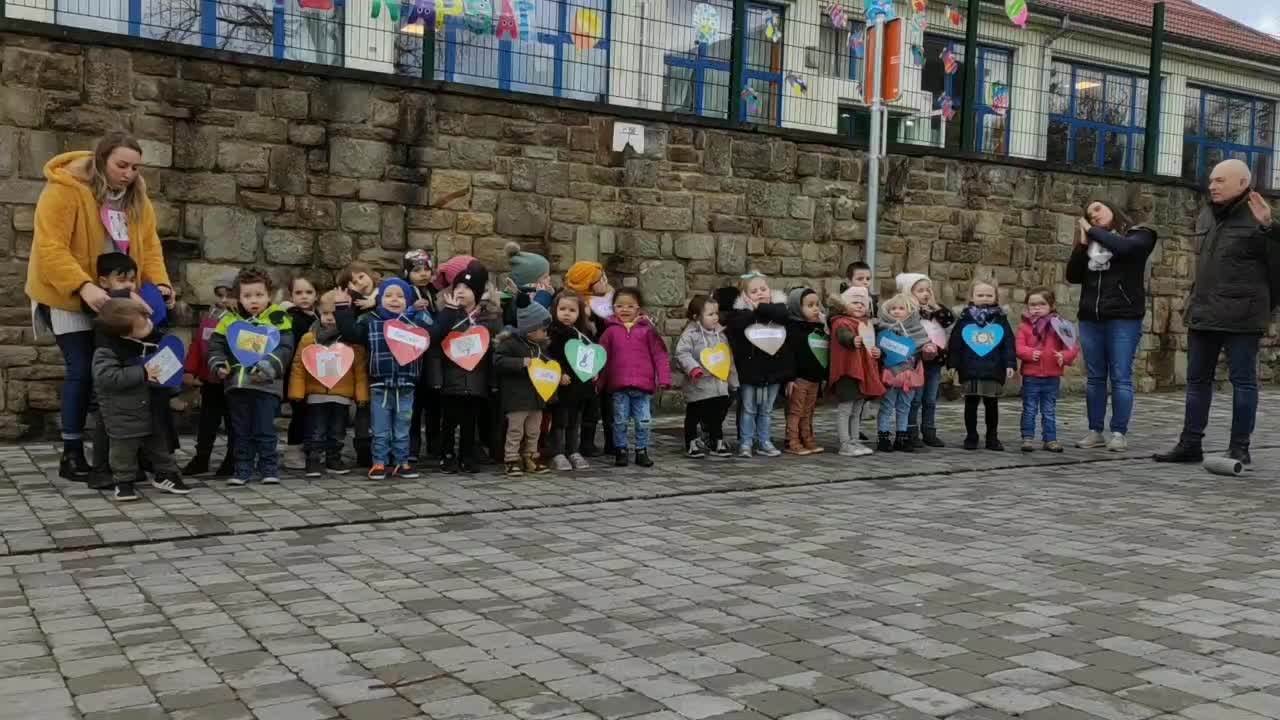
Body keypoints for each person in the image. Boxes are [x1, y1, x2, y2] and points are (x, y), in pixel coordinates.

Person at [26, 132, 174, 481]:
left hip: (116, 296)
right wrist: (83, 285)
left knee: (119, 369)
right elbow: (50, 249)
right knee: (82, 370)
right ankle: (72, 453)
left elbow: (150, 248)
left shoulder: (137, 198)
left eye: (135, 167)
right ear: (101, 159)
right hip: (67, 293)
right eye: (121, 165)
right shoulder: (64, 189)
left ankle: (124, 452)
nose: (129, 173)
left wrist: (160, 284)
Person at [1156, 160, 1278, 466]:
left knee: (1243, 382)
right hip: (1205, 311)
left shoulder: (1259, 216)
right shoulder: (1207, 214)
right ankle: (1190, 444)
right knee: (1197, 381)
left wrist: (1270, 227)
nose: (1212, 186)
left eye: (1221, 180)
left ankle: (1240, 447)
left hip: (1242, 316)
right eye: (1212, 180)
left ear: (1242, 184)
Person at [1065, 200, 1158, 452]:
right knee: (1095, 378)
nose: (1092, 215)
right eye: (1088, 214)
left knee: (1120, 376)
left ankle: (1119, 432)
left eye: (1097, 209)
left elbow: (1125, 249)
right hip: (1091, 318)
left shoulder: (1139, 234)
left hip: (1123, 317)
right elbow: (1073, 275)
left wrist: (1093, 230)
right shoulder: (1093, 244)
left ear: (1113, 208)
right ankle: (1095, 430)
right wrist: (1083, 243)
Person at [337, 278, 433, 480]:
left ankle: (402, 462)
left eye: (400, 296)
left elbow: (435, 333)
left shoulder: (414, 324)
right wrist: (341, 308)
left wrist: (441, 311)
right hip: (380, 385)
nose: (394, 300)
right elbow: (350, 332)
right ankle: (379, 462)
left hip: (406, 385)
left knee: (402, 427)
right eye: (388, 295)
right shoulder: (371, 322)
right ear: (380, 300)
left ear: (407, 301)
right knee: (380, 428)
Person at [91, 299, 185, 501]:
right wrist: (141, 373)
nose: (150, 325)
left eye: (147, 320)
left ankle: (167, 474)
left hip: (152, 407)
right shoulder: (107, 351)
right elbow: (107, 377)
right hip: (123, 412)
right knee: (123, 450)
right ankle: (123, 481)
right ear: (125, 334)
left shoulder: (153, 340)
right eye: (143, 326)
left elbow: (166, 369)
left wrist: (172, 388)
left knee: (160, 444)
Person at [208, 269, 295, 486]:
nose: (253, 300)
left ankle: (268, 468)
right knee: (240, 431)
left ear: (269, 295)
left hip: (266, 386)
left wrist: (267, 366)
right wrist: (219, 365)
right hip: (237, 385)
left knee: (265, 429)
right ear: (239, 297)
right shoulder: (229, 320)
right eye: (247, 296)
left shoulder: (277, 317)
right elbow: (215, 347)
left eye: (259, 295)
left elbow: (285, 347)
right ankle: (242, 469)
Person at [429, 259, 501, 474]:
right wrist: (436, 379)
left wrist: (493, 381)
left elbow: (497, 348)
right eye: (457, 287)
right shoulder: (448, 314)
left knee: (471, 421)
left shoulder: (489, 317)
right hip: (452, 377)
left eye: (467, 288)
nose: (461, 291)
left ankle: (467, 455)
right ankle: (447, 454)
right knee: (449, 420)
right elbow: (435, 342)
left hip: (477, 377)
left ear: (477, 293)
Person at [288, 290, 369, 477]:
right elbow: (298, 366)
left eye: (334, 314)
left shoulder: (351, 343)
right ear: (318, 312)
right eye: (325, 314)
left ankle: (334, 458)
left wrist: (361, 396)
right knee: (316, 429)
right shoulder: (309, 339)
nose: (330, 318)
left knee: (337, 431)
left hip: (341, 396)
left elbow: (359, 372)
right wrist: (297, 392)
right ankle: (314, 459)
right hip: (316, 395)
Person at [598, 287, 671, 468]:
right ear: (613, 308)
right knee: (620, 420)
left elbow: (660, 355)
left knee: (643, 420)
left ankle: (641, 450)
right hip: (618, 385)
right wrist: (598, 380)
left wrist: (664, 378)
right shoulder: (610, 332)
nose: (625, 309)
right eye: (620, 306)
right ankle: (621, 450)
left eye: (630, 306)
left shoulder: (647, 331)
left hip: (642, 386)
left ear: (639, 309)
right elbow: (600, 357)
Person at [723, 272, 793, 458]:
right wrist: (754, 311)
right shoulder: (740, 314)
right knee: (748, 408)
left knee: (766, 410)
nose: (760, 293)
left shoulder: (778, 310)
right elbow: (735, 326)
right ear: (745, 296)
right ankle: (746, 441)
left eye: (763, 289)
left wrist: (760, 307)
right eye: (754, 291)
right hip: (750, 372)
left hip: (772, 372)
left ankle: (764, 441)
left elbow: (784, 315)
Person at [948, 280, 1016, 451]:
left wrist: (1010, 363)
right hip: (969, 367)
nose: (984, 298)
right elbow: (956, 343)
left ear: (996, 297)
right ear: (971, 297)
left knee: (991, 404)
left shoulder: (1000, 319)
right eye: (980, 295)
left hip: (993, 367)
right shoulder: (965, 319)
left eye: (989, 295)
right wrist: (953, 364)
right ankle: (971, 435)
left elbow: (1008, 343)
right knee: (970, 403)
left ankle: (992, 436)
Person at [184, 273, 238, 478]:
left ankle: (232, 459)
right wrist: (190, 370)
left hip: (231, 378)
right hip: (211, 379)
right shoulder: (209, 317)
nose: (223, 300)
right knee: (207, 421)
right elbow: (198, 345)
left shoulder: (240, 318)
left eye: (228, 295)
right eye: (220, 295)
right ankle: (201, 457)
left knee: (233, 421)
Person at [495, 294, 555, 476]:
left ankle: (531, 456)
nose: (545, 333)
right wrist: (520, 362)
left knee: (534, 430)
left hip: (536, 398)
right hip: (517, 398)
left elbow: (549, 365)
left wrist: (559, 375)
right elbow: (498, 361)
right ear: (531, 328)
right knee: (515, 430)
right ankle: (511, 459)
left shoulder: (539, 347)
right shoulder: (510, 344)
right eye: (543, 329)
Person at [1016, 288, 1079, 453]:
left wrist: (1064, 356)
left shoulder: (1060, 326)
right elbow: (1018, 347)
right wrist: (1030, 353)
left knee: (1049, 409)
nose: (1037, 308)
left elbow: (1072, 347)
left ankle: (1050, 439)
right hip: (1031, 376)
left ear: (1051, 305)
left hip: (1052, 377)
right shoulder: (1025, 327)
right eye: (1032, 305)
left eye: (1042, 304)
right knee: (1029, 408)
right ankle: (1027, 438)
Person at [674, 295, 736, 459]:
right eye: (710, 314)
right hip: (698, 383)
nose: (715, 317)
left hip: (718, 383)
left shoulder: (720, 335)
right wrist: (693, 368)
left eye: (716, 313)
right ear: (696, 317)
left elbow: (728, 358)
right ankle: (692, 441)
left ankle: (716, 440)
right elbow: (682, 353)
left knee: (717, 414)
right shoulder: (690, 335)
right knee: (694, 413)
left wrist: (732, 380)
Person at [564, 260, 615, 457]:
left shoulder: (605, 302)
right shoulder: (578, 305)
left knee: (601, 406)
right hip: (585, 362)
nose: (605, 280)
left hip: (604, 361)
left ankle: (598, 442)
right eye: (599, 278)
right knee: (586, 405)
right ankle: (580, 443)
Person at [898, 273, 954, 448]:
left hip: (935, 361)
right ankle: (911, 431)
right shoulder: (908, 311)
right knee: (915, 398)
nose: (925, 294)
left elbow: (949, 320)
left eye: (927, 290)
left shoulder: (935, 311)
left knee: (930, 399)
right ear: (909, 292)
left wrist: (936, 306)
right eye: (920, 290)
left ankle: (929, 431)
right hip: (917, 360)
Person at [827, 286, 884, 456]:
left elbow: (870, 345)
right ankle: (845, 443)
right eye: (854, 302)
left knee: (857, 409)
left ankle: (854, 440)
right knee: (846, 408)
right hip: (848, 372)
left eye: (862, 303)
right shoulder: (841, 321)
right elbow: (843, 336)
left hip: (863, 371)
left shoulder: (866, 324)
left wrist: (877, 352)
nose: (859, 305)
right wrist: (852, 340)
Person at [545, 290, 598, 470]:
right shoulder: (552, 332)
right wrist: (558, 373)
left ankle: (573, 451)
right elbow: (548, 356)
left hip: (579, 386)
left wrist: (594, 370)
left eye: (572, 310)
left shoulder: (583, 334)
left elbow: (591, 355)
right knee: (560, 421)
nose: (567, 313)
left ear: (579, 313)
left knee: (575, 421)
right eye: (563, 309)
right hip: (561, 386)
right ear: (555, 310)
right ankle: (557, 452)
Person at [875, 294, 929, 452]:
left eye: (901, 308)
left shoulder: (917, 329)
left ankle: (902, 437)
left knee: (905, 406)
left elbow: (923, 348)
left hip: (909, 375)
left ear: (910, 311)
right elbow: (879, 348)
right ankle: (883, 436)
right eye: (893, 308)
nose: (896, 312)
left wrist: (928, 349)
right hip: (890, 373)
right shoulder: (884, 329)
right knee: (887, 405)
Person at [403, 250, 440, 464]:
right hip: (412, 355)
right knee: (414, 406)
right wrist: (411, 308)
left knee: (433, 402)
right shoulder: (407, 292)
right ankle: (412, 447)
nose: (423, 274)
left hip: (432, 356)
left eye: (427, 269)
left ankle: (434, 447)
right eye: (417, 270)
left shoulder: (433, 293)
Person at [283, 272, 321, 471]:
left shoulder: (319, 317)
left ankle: (309, 448)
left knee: (311, 414)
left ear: (316, 295)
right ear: (291, 296)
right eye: (299, 292)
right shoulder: (291, 318)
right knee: (299, 413)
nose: (304, 296)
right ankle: (293, 451)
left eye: (309, 292)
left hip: (315, 372)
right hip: (297, 373)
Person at [783, 288, 827, 455]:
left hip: (814, 378)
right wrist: (790, 378)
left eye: (817, 304)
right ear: (797, 307)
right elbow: (789, 356)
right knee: (796, 410)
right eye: (810, 305)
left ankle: (807, 438)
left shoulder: (819, 329)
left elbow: (823, 354)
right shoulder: (793, 329)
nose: (816, 308)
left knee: (809, 410)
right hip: (799, 378)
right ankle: (792, 440)